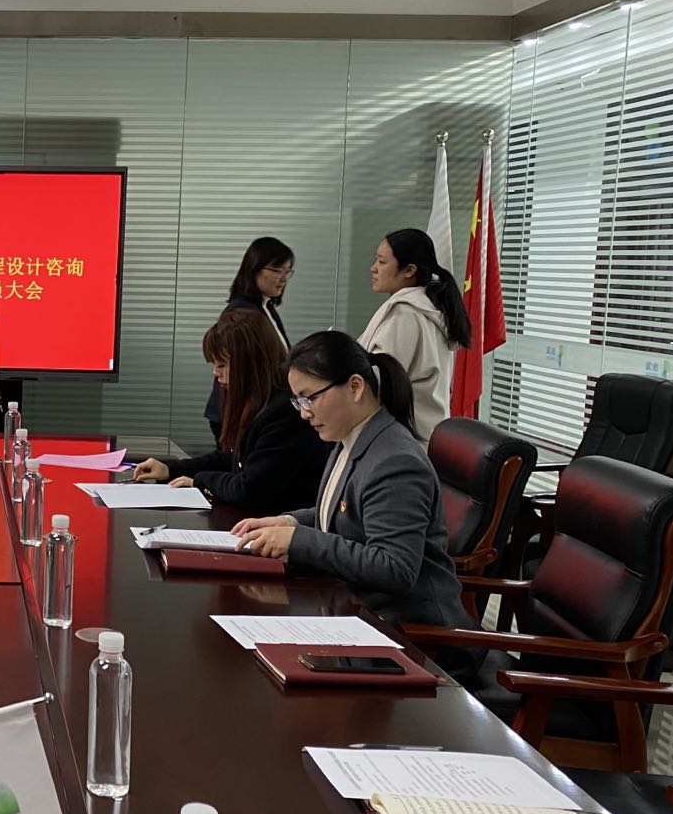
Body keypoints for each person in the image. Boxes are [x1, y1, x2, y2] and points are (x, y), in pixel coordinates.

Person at [230, 331, 474, 640]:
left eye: (310, 398)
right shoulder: (350, 439)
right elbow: (348, 514)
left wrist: (298, 541)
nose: (304, 413)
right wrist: (290, 521)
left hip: (410, 632)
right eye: (298, 401)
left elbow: (394, 569)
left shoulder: (395, 461)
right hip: (355, 609)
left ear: (355, 387)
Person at [134, 309, 327, 513]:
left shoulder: (285, 413)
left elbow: (250, 489)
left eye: (222, 364)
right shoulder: (258, 403)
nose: (215, 373)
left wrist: (200, 481)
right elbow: (231, 458)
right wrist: (170, 468)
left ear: (250, 363)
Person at [358, 228, 472, 444]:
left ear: (409, 270)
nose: (373, 268)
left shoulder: (406, 314)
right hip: (422, 437)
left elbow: (379, 381)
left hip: (403, 441)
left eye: (382, 262)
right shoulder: (429, 307)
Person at [202, 237, 293, 443]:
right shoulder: (242, 315)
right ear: (254, 269)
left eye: (287, 271)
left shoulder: (266, 307)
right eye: (277, 270)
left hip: (258, 412)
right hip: (239, 414)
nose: (283, 278)